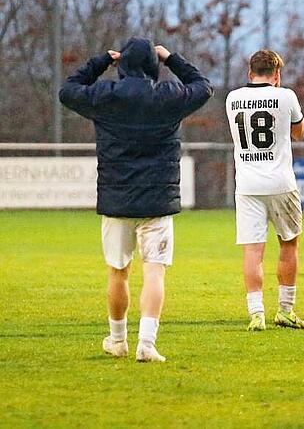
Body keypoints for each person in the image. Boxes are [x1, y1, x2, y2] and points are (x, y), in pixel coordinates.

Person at [59, 37, 213, 362]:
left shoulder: (105, 96)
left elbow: (68, 90)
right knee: (154, 271)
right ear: (153, 65)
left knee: (119, 271)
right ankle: (147, 342)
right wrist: (171, 58)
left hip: (117, 201)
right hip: (158, 201)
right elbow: (202, 86)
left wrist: (102, 61)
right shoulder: (168, 97)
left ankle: (118, 341)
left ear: (122, 64)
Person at [224, 50, 304, 331]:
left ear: (250, 74)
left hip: (247, 185)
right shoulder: (286, 96)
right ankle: (285, 309)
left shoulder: (232, 98)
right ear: (277, 75)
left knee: (253, 251)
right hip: (281, 183)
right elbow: (299, 133)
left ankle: (256, 313)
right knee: (289, 243)